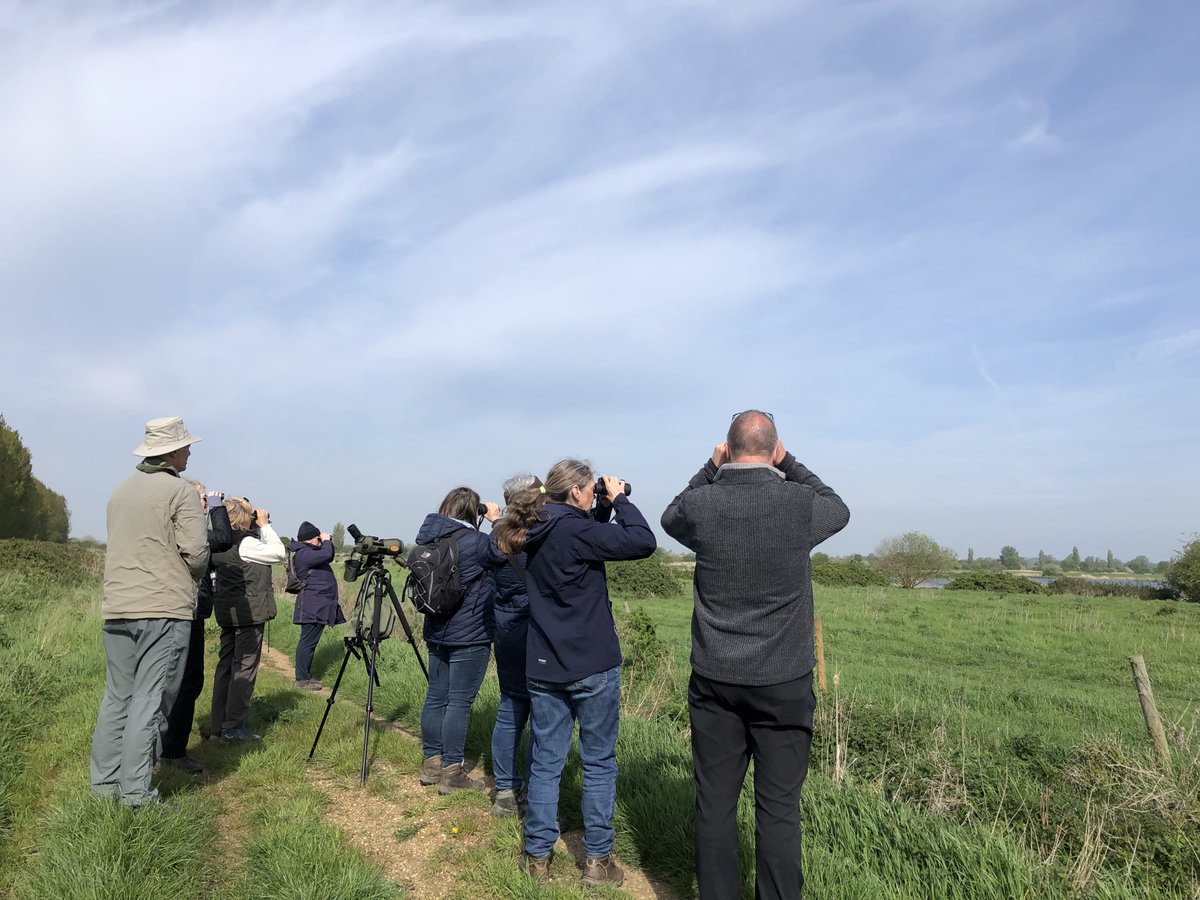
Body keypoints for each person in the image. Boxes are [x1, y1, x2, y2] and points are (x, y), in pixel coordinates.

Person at [661, 410, 850, 899]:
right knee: (780, 809)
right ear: (774, 448)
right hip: (784, 681)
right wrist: (791, 464)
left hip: (715, 678)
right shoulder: (799, 503)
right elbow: (839, 507)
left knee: (715, 804)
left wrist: (709, 467)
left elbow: (670, 515)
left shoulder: (703, 504)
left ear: (726, 447)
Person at [493, 459, 656, 888]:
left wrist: (598, 504)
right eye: (591, 489)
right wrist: (619, 499)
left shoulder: (534, 529)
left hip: (544, 664)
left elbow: (582, 536)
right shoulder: (575, 531)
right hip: (592, 665)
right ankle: (598, 862)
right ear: (577, 492)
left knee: (546, 762)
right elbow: (642, 541)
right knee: (598, 762)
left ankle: (537, 859)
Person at [90, 416, 209, 806]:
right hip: (163, 607)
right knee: (151, 699)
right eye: (186, 446)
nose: (190, 450)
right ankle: (137, 793)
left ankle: (104, 787)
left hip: (118, 606)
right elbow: (196, 554)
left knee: (117, 697)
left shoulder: (119, 490)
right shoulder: (180, 492)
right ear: (171, 451)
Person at [414, 487, 506, 794]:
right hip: (470, 634)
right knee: (459, 702)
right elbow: (505, 553)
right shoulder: (479, 542)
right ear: (473, 512)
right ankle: (453, 772)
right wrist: (495, 520)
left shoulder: (428, 538)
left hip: (435, 630)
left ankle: (431, 764)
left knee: (435, 696)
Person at [160, 481, 233, 772]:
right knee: (185, 683)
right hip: (184, 613)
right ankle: (172, 752)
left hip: (189, 611)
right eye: (202, 498)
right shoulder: (186, 528)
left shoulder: (176, 526)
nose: (205, 502)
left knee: (183, 683)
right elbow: (224, 538)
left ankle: (166, 749)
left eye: (206, 499)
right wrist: (217, 507)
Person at [209, 496, 285, 741]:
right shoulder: (246, 544)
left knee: (225, 668)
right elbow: (278, 553)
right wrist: (264, 525)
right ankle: (234, 727)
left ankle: (218, 723)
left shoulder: (218, 543)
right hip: (248, 614)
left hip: (226, 610)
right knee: (244, 668)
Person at [487, 473, 539, 817]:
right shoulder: (540, 537)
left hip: (506, 632)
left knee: (510, 711)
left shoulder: (495, 539)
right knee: (544, 716)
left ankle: (505, 790)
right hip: (537, 634)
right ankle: (537, 791)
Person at [289, 521, 344, 690]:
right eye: (317, 538)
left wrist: (326, 542)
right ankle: (301, 679)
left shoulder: (307, 552)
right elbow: (327, 555)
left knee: (310, 642)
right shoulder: (303, 553)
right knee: (307, 642)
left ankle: (305, 676)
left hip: (316, 605)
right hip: (312, 606)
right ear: (309, 539)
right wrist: (327, 541)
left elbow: (327, 554)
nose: (320, 541)